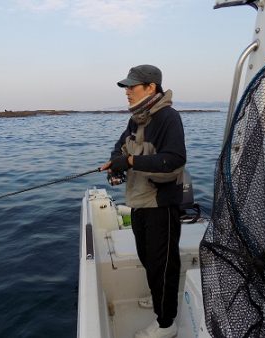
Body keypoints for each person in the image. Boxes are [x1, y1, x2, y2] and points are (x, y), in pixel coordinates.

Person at [101, 64, 186, 338]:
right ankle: (160, 298)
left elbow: (174, 159)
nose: (127, 92)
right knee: (148, 258)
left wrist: (129, 161)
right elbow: (121, 146)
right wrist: (117, 163)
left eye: (132, 86)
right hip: (138, 203)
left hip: (161, 206)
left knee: (163, 265)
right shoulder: (135, 119)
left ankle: (166, 324)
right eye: (126, 86)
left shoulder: (168, 118)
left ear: (151, 87)